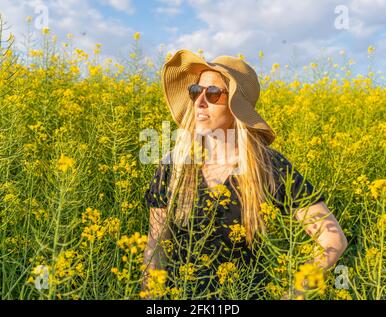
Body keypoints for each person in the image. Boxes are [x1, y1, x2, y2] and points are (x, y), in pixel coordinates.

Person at [141, 49, 348, 299]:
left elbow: (333, 241)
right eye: (196, 91)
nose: (200, 102)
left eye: (214, 93)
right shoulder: (173, 165)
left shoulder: (269, 167)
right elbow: (156, 246)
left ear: (236, 107)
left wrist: (296, 295)